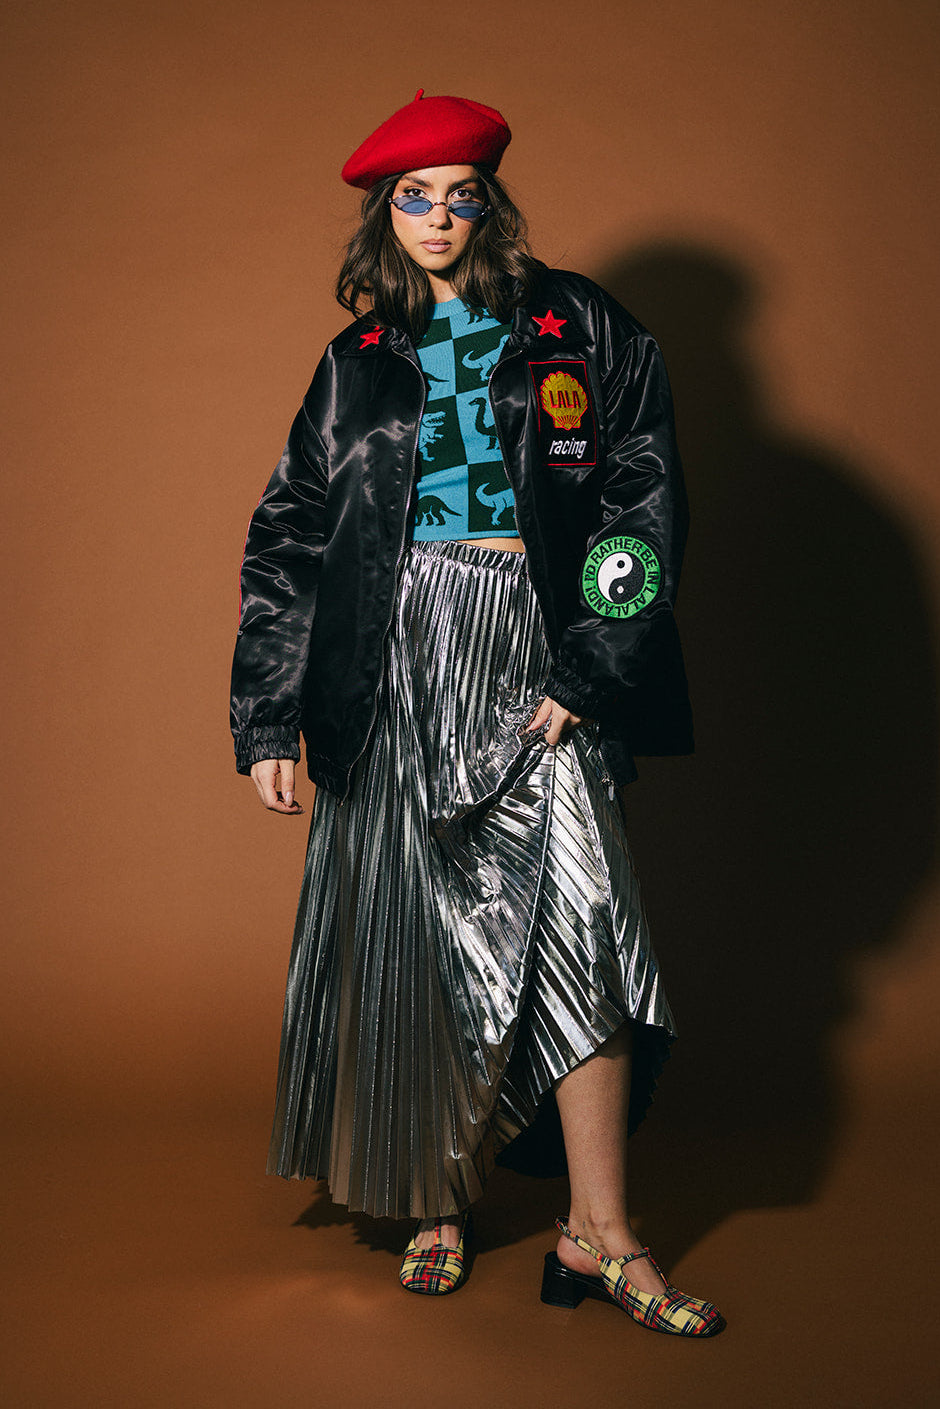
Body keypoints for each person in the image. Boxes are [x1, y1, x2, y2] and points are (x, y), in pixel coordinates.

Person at [230, 89, 724, 1336]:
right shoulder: (353, 365)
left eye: (460, 195)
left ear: (487, 203)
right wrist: (268, 712)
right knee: (411, 927)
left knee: (582, 929)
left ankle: (601, 1235)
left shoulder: (578, 325)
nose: (439, 217)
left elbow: (642, 505)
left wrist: (587, 669)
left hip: (538, 650)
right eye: (414, 196)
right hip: (390, 663)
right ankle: (430, 1198)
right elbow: (290, 536)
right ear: (382, 212)